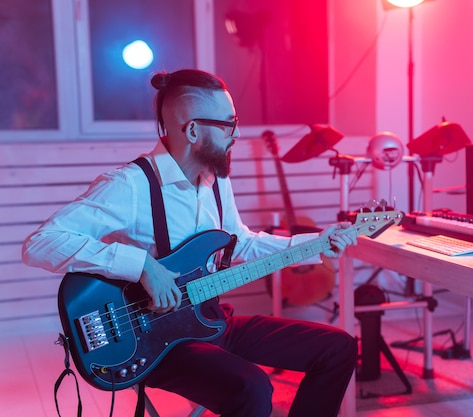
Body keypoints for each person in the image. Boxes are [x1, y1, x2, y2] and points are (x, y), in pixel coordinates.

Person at [22, 69, 358, 417]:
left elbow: (237, 243)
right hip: (157, 342)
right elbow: (41, 243)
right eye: (229, 124)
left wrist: (316, 243)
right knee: (253, 387)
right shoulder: (130, 185)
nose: (237, 133)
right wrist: (141, 265)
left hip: (210, 321)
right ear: (194, 130)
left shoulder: (214, 179)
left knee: (338, 348)